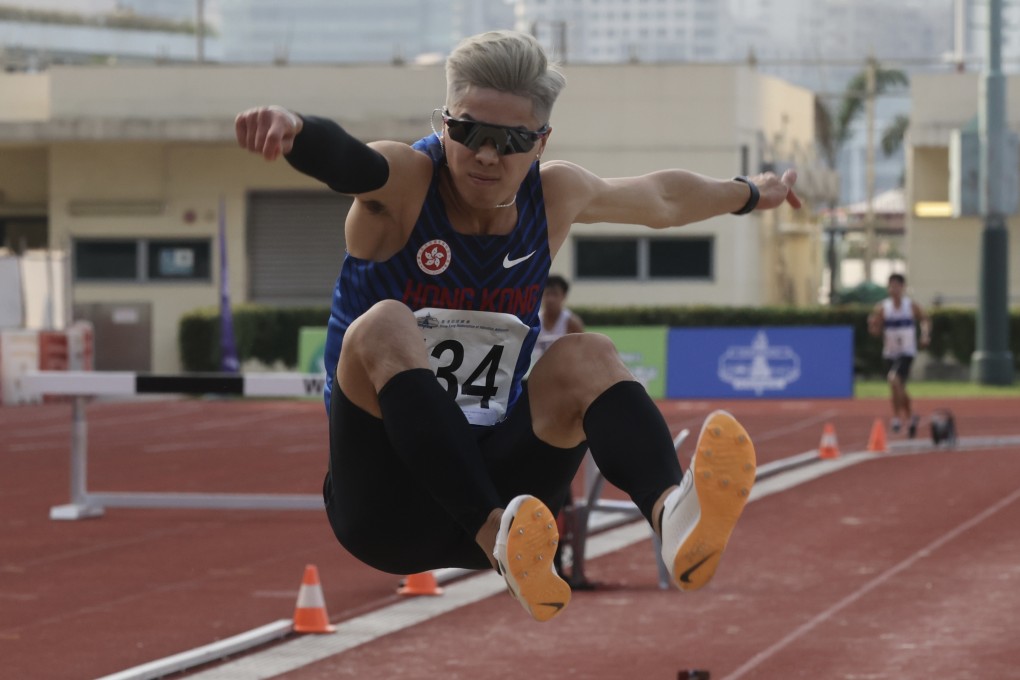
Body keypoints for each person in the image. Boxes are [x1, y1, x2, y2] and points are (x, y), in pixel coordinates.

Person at [235, 30, 800, 622]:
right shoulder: (405, 182)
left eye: (510, 141)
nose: (485, 155)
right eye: (468, 132)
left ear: (541, 142)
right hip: (385, 506)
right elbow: (350, 161)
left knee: (586, 354)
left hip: (508, 492)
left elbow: (661, 198)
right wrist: (297, 131)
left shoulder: (556, 194)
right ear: (445, 122)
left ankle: (670, 515)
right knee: (383, 323)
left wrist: (750, 192)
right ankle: (492, 536)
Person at [868, 273, 930, 438]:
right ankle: (908, 417)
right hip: (890, 352)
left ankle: (897, 418)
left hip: (907, 351)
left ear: (902, 287)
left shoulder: (910, 306)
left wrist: (924, 335)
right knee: (897, 387)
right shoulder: (883, 307)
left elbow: (924, 319)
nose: (894, 289)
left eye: (897, 285)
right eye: (891, 286)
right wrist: (873, 327)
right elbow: (875, 330)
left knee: (893, 379)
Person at [532, 274, 584, 366]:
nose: (551, 299)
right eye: (547, 294)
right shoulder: (533, 322)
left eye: (555, 294)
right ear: (541, 295)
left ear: (564, 296)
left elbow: (582, 352)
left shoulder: (572, 323)